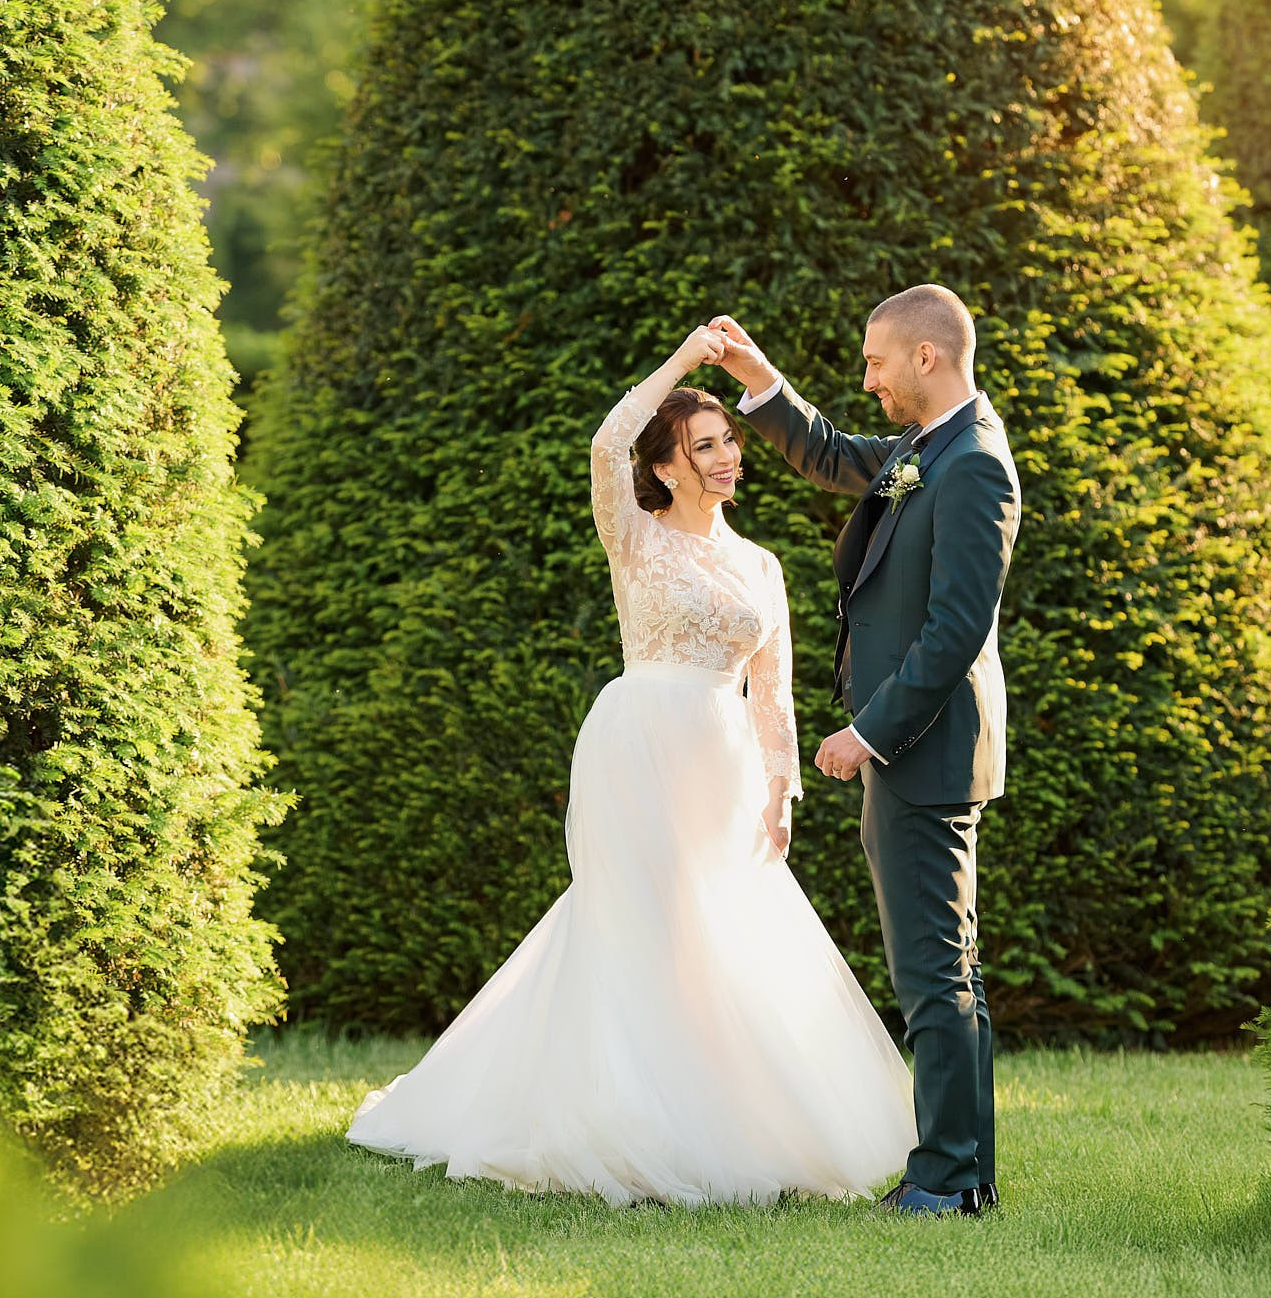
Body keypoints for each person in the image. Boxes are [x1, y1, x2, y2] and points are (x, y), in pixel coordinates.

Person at [346, 325, 913, 1207]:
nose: (728, 458)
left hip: (723, 759)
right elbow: (611, 437)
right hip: (639, 739)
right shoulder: (636, 539)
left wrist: (781, 788)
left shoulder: (762, 566)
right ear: (666, 467)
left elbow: (775, 690)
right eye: (705, 446)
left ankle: (726, 1115)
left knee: (718, 928)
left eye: (729, 440)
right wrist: (689, 360)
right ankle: (623, 1114)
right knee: (639, 920)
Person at [710, 285, 1020, 1217]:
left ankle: (947, 1182)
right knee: (944, 968)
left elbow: (957, 628)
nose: (868, 378)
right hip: (919, 752)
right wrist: (756, 379)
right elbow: (836, 456)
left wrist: (868, 730)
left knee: (934, 974)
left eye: (877, 362)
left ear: (926, 358)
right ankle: (965, 1177)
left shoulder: (972, 464)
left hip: (924, 749)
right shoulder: (930, 450)